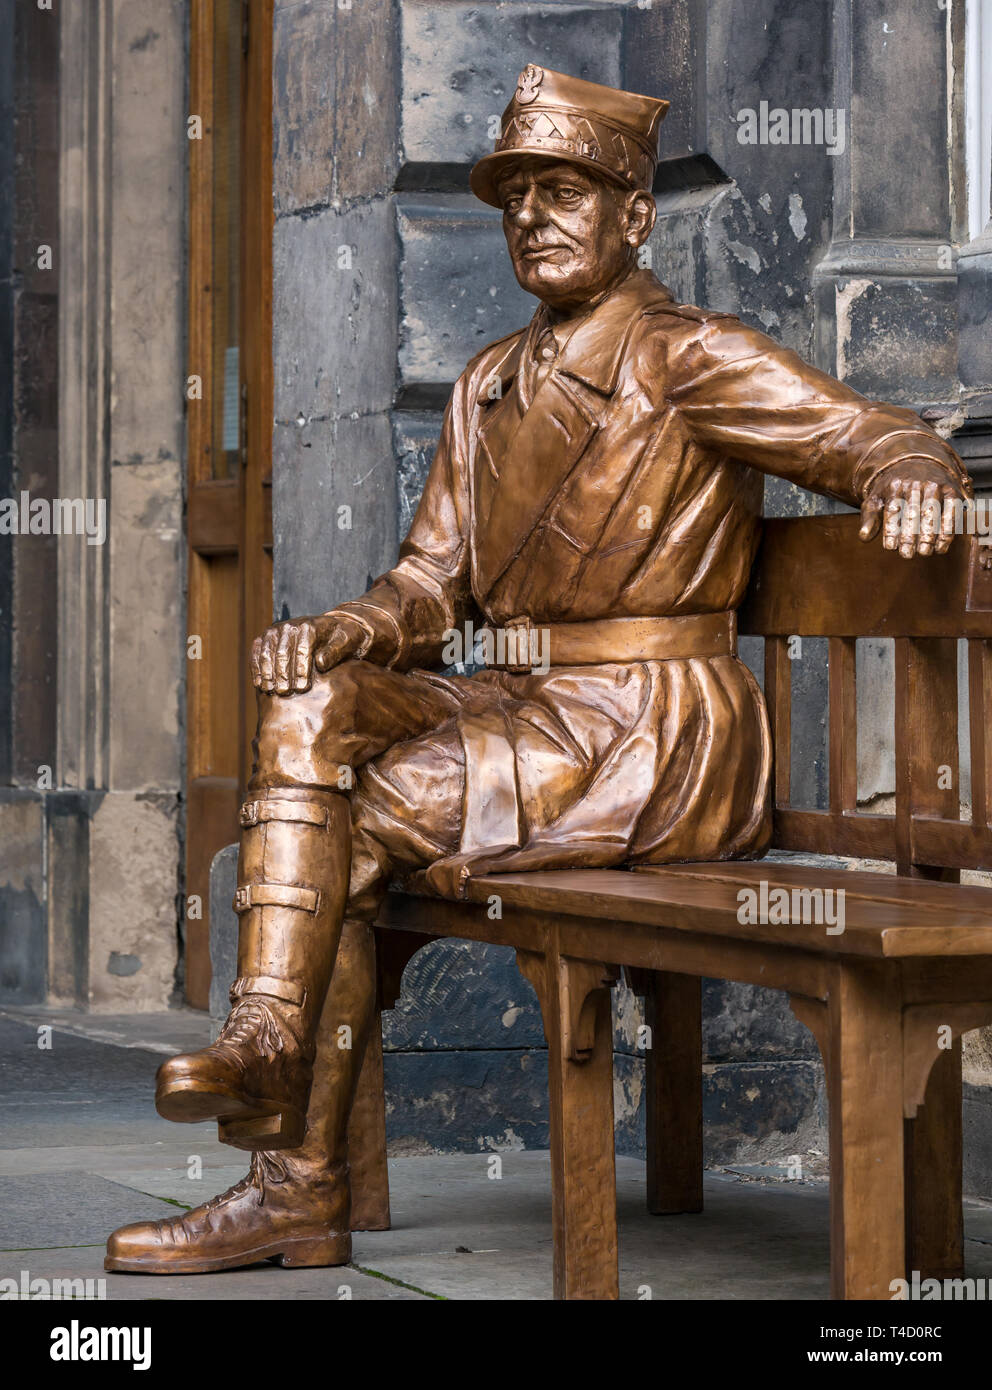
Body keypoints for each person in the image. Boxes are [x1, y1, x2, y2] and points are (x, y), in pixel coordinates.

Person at [106, 66, 972, 1274]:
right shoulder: (483, 387)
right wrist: (348, 632)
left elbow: (855, 430)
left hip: (652, 726)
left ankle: (290, 1168)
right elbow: (429, 588)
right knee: (311, 711)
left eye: (565, 190)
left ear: (633, 216)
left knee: (362, 817)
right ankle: (267, 1058)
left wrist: (910, 465)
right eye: (514, 195)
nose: (532, 215)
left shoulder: (685, 357)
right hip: (523, 706)